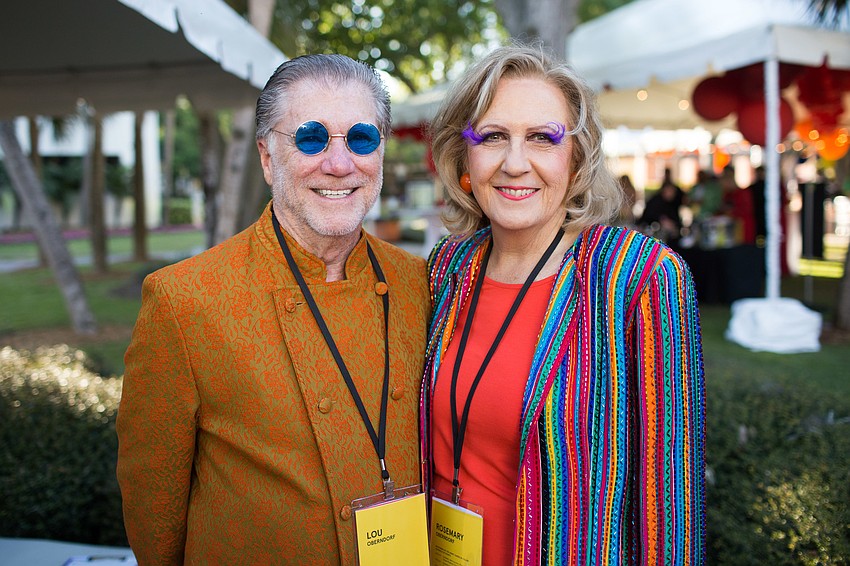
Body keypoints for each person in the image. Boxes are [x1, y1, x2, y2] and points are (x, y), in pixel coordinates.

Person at [116, 54, 430, 564]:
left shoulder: (420, 284)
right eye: (310, 138)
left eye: (361, 138)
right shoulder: (184, 300)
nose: (339, 163)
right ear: (266, 157)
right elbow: (155, 509)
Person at [423, 44, 705, 565]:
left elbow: (670, 504)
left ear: (577, 158)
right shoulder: (448, 269)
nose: (514, 163)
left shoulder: (636, 280)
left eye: (542, 139)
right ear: (464, 158)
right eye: (492, 137)